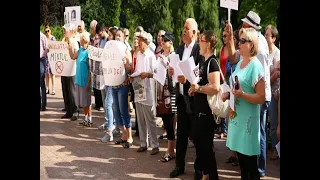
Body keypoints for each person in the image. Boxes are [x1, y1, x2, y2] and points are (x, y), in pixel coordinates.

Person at [222, 27, 265, 180]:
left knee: (251, 168)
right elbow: (236, 85)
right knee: (243, 166)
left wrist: (242, 95)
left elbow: (261, 97)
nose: (238, 43)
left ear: (251, 44)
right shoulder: (241, 62)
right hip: (237, 120)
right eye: (238, 40)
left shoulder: (256, 66)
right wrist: (228, 94)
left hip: (248, 124)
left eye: (242, 41)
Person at [168, 18, 201, 178]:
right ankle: (179, 166)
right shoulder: (179, 49)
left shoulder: (199, 49)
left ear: (194, 32)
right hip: (181, 98)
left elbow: (200, 74)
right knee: (181, 135)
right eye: (184, 27)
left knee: (196, 137)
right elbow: (176, 69)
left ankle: (198, 170)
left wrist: (187, 80)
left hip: (194, 100)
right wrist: (171, 72)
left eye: (186, 28)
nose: (183, 31)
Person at [188, 30, 220, 180]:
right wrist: (193, 89)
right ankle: (205, 175)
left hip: (207, 112)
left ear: (207, 44)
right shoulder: (202, 61)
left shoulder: (212, 62)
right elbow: (198, 83)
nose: (198, 43)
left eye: (201, 40)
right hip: (199, 110)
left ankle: (210, 176)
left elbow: (215, 87)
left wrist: (199, 89)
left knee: (206, 148)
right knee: (200, 146)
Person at [133, 31, 159, 155]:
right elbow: (137, 70)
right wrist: (132, 76)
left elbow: (155, 73)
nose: (138, 42)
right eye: (138, 40)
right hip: (139, 88)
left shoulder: (151, 56)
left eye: (141, 40)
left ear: (146, 42)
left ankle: (155, 144)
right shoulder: (138, 54)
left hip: (148, 90)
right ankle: (143, 143)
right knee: (140, 117)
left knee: (150, 118)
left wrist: (147, 75)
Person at [156, 32, 177, 162]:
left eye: (166, 40)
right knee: (164, 118)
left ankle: (171, 150)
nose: (163, 42)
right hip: (161, 91)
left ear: (171, 43)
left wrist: (167, 64)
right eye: (163, 40)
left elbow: (175, 73)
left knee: (170, 120)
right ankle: (171, 149)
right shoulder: (160, 56)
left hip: (172, 91)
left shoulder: (174, 56)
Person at [68, 33, 93, 126]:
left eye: (81, 39)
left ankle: (90, 118)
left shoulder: (89, 51)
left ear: (84, 40)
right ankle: (85, 118)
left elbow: (91, 69)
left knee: (87, 101)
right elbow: (72, 57)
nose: (80, 41)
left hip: (85, 80)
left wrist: (89, 82)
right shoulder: (80, 50)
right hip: (79, 79)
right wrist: (69, 47)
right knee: (83, 101)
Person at [61, 24, 79, 120]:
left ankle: (75, 111)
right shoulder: (63, 40)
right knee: (65, 90)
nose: (64, 32)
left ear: (70, 31)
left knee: (72, 91)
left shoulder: (73, 42)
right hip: (64, 69)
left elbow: (76, 53)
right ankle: (68, 110)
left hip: (71, 70)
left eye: (65, 30)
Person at [44, 25, 56, 95]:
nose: (47, 32)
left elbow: (55, 47)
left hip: (52, 57)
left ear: (50, 31)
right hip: (46, 57)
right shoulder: (44, 38)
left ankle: (53, 89)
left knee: (52, 74)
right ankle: (47, 88)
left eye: (48, 31)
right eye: (46, 31)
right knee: (46, 74)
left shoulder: (53, 38)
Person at [40, 31, 49, 111]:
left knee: (42, 83)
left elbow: (47, 48)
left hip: (41, 61)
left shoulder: (43, 37)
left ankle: (43, 105)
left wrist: (42, 55)